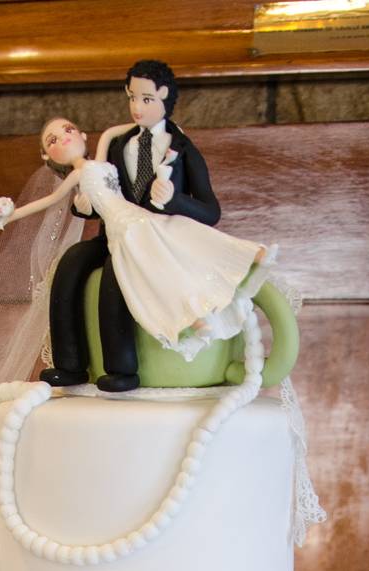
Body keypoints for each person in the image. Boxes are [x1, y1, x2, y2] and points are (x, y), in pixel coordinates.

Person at [0, 113, 271, 367]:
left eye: (68, 129)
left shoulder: (104, 152)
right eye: (53, 140)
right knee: (146, 272)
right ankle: (188, 320)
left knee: (180, 234)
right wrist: (9, 215)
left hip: (135, 215)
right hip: (119, 228)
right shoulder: (77, 177)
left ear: (83, 135)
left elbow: (120, 128)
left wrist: (161, 119)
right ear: (49, 157)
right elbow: (50, 200)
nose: (64, 138)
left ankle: (245, 258)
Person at [37, 60, 222, 391]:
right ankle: (69, 364)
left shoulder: (182, 149)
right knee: (70, 264)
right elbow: (102, 193)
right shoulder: (119, 142)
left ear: (164, 96)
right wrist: (84, 208)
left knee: (115, 275)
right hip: (113, 233)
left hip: (158, 238)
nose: (137, 107)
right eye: (132, 98)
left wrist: (174, 200)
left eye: (146, 99)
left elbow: (210, 211)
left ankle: (122, 368)